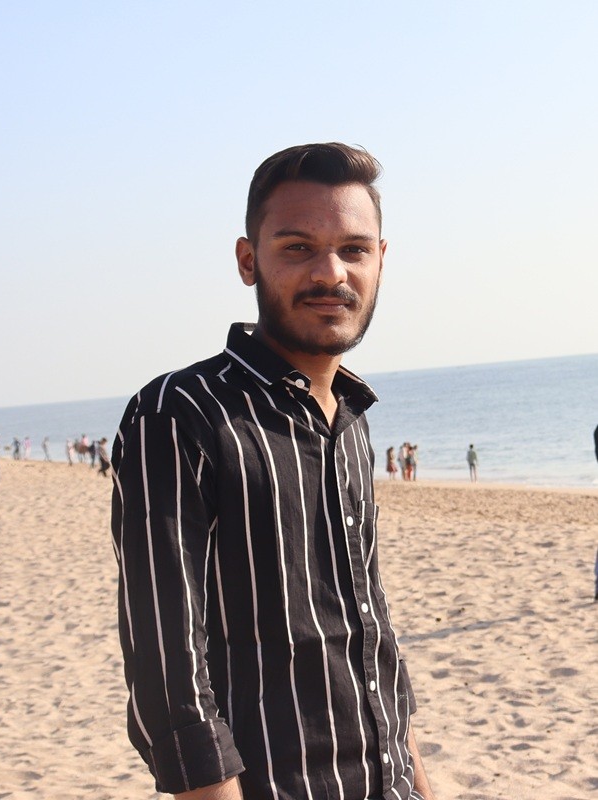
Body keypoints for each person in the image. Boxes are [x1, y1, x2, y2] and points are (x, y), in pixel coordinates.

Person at [112, 142, 437, 800]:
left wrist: (419, 785)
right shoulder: (180, 413)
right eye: (297, 248)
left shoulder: (350, 417)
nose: (331, 273)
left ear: (381, 260)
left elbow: (370, 637)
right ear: (247, 260)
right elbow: (168, 678)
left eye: (354, 249)